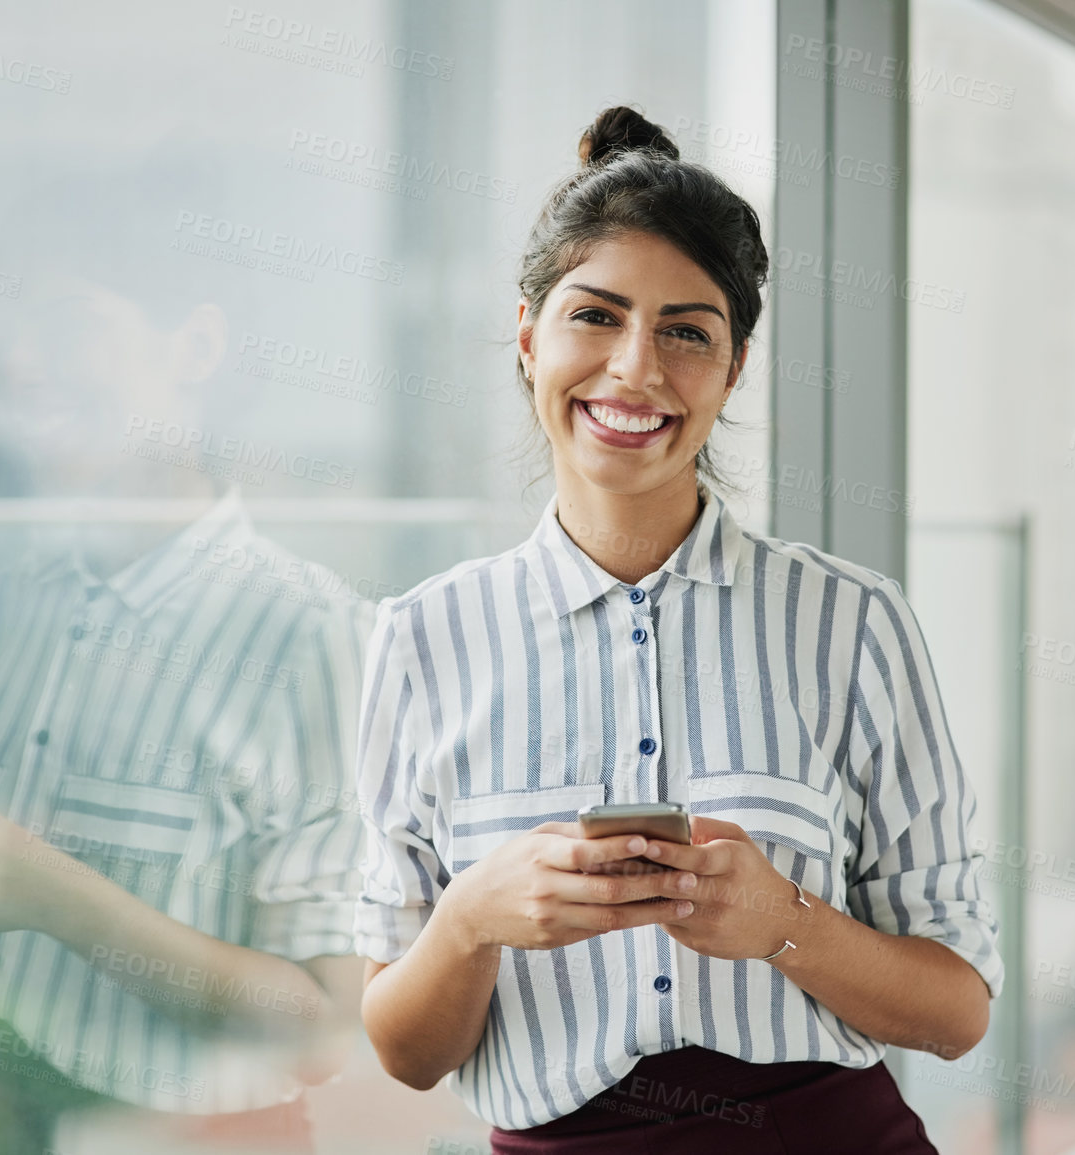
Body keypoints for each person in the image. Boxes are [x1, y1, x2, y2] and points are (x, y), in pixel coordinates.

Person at [354, 106, 1003, 1153]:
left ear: (733, 368)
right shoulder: (422, 640)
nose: (636, 370)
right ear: (528, 335)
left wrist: (787, 923)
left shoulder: (854, 625)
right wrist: (471, 917)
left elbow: (958, 1011)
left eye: (687, 332)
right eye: (596, 316)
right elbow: (407, 1051)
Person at [0, 159, 373, 1155]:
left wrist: (49, 893)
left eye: (67, 326)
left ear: (196, 346)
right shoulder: (2, 607)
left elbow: (324, 1026)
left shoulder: (314, 635)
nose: (23, 367)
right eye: (14, 332)